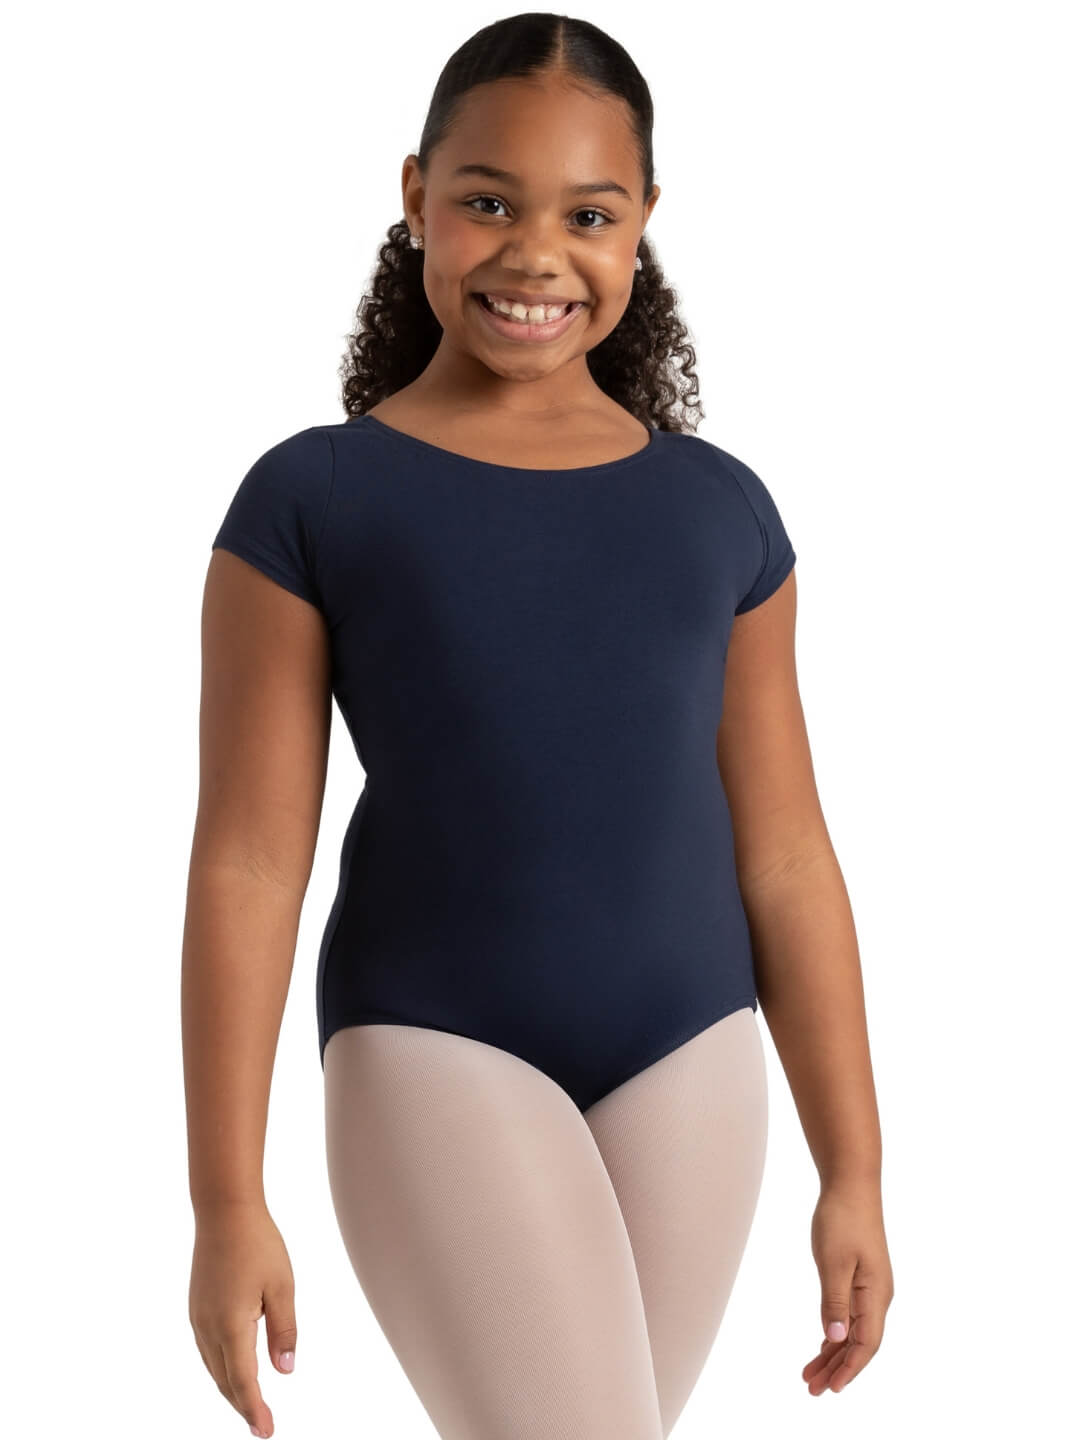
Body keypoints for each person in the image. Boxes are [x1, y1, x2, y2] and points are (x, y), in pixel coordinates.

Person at [183, 13, 894, 1440]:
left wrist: (855, 1171)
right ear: (416, 197)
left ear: (643, 226)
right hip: (430, 1037)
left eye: (589, 214)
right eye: (489, 202)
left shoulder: (721, 510)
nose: (536, 255)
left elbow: (786, 856)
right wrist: (225, 1199)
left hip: (692, 1050)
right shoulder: (315, 499)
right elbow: (249, 862)